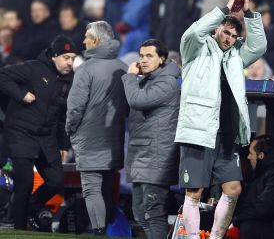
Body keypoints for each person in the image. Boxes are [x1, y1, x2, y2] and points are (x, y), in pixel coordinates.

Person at [175, 0, 267, 239]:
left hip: (226, 134)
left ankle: (215, 237)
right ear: (216, 29)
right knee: (194, 193)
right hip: (198, 132)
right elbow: (194, 31)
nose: (229, 38)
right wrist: (226, 9)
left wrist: (247, 12)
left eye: (234, 35)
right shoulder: (195, 48)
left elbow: (259, 45)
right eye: (225, 32)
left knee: (234, 189)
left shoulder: (237, 55)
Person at [0, 35, 78, 230]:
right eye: (66, 57)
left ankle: (27, 208)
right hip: (21, 132)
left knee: (56, 181)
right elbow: (2, 76)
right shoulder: (33, 68)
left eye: (73, 58)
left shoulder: (70, 79)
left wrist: (63, 144)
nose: (70, 62)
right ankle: (18, 227)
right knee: (24, 182)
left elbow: (63, 116)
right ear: (54, 56)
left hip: (47, 137)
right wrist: (20, 94)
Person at [66, 21, 128, 235]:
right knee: (107, 187)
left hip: (89, 138)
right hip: (114, 139)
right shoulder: (123, 67)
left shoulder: (86, 69)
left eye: (86, 37)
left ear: (97, 40)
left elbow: (75, 107)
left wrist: (70, 130)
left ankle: (99, 231)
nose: (83, 41)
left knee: (91, 188)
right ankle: (109, 229)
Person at [122, 39, 181, 239]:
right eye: (141, 55)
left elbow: (137, 100)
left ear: (162, 59)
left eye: (149, 56)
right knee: (140, 213)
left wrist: (130, 77)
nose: (144, 60)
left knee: (154, 213)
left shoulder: (167, 82)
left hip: (157, 157)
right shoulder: (148, 80)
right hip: (143, 155)